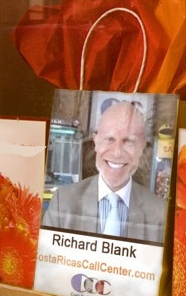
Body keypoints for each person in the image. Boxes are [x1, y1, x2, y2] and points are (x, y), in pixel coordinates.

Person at [42, 101, 166, 244]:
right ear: (96, 141)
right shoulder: (63, 202)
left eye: (128, 141)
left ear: (142, 146)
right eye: (109, 139)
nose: (117, 152)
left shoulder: (160, 213)